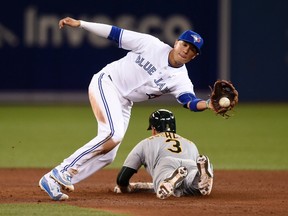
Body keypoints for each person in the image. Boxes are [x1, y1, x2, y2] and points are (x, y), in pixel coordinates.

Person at [39, 17, 213, 201]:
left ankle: (54, 181)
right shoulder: (151, 45)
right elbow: (115, 33)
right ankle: (61, 171)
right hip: (107, 83)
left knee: (108, 155)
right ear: (176, 42)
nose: (187, 50)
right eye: (185, 45)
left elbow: (190, 102)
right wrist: (82, 24)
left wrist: (208, 104)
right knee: (113, 135)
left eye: (192, 50)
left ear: (194, 57)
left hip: (124, 102)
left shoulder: (181, 79)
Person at [114, 109, 213, 199]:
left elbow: (122, 179)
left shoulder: (146, 143)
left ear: (153, 129)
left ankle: (170, 180)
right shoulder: (190, 143)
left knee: (163, 184)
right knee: (191, 187)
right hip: (190, 164)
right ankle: (199, 175)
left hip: (167, 163)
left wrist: (126, 189)